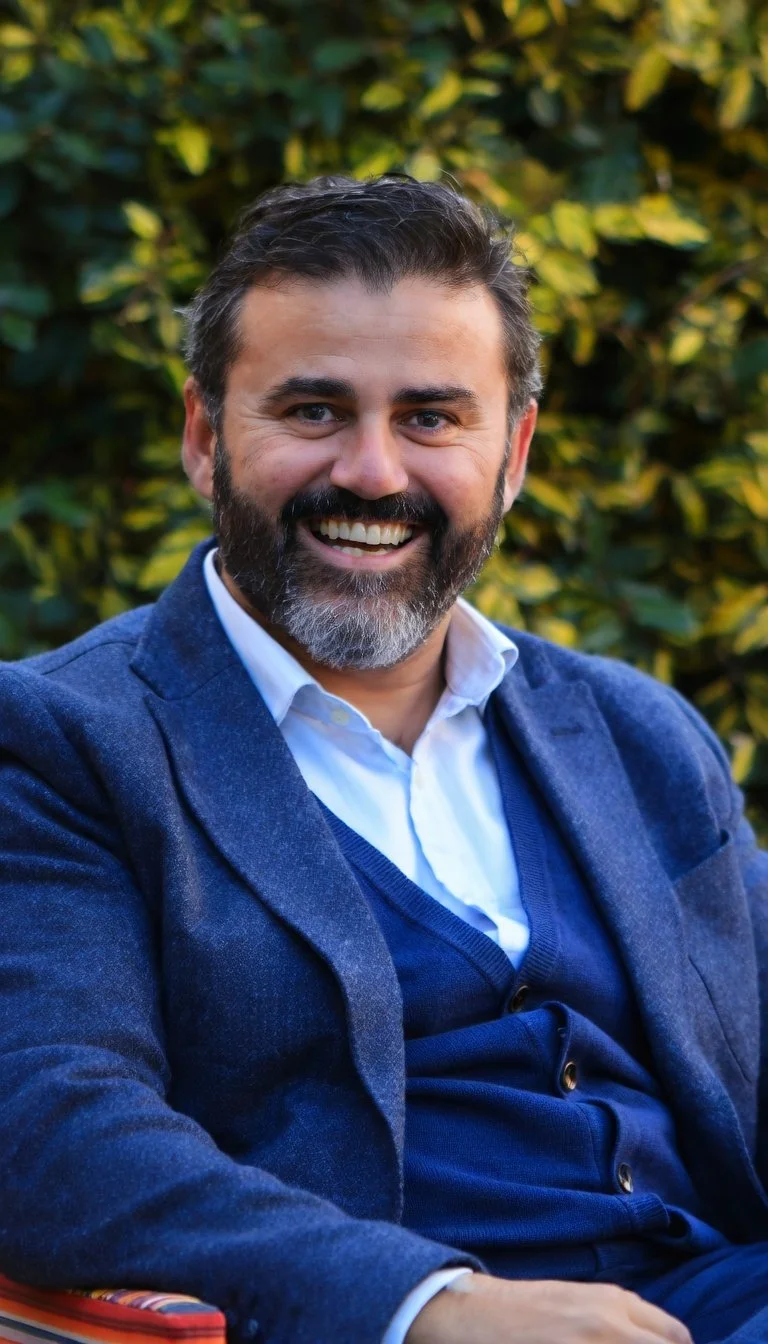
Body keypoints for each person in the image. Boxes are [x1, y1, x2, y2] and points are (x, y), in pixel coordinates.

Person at [0, 175, 767, 1344]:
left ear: (511, 454)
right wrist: (423, 1306)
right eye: (313, 412)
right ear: (207, 440)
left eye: (430, 417)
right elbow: (49, 1128)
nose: (372, 472)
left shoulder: (638, 735)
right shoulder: (64, 742)